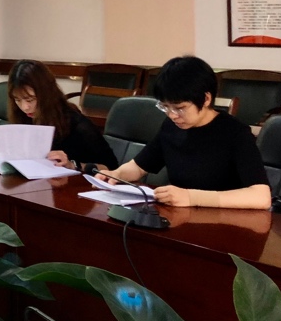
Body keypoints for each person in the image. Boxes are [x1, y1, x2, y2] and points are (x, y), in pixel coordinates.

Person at [95, 56, 271, 209]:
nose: (172, 115)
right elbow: (139, 167)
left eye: (180, 108)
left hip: (225, 221)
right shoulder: (172, 126)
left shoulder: (235, 133)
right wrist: (117, 174)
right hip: (182, 216)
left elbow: (261, 197)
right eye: (165, 107)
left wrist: (192, 197)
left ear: (206, 99)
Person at [6, 60, 118, 171]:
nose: (24, 107)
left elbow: (111, 168)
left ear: (47, 94)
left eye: (30, 100)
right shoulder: (23, 117)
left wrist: (73, 165)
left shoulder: (77, 125)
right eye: (17, 100)